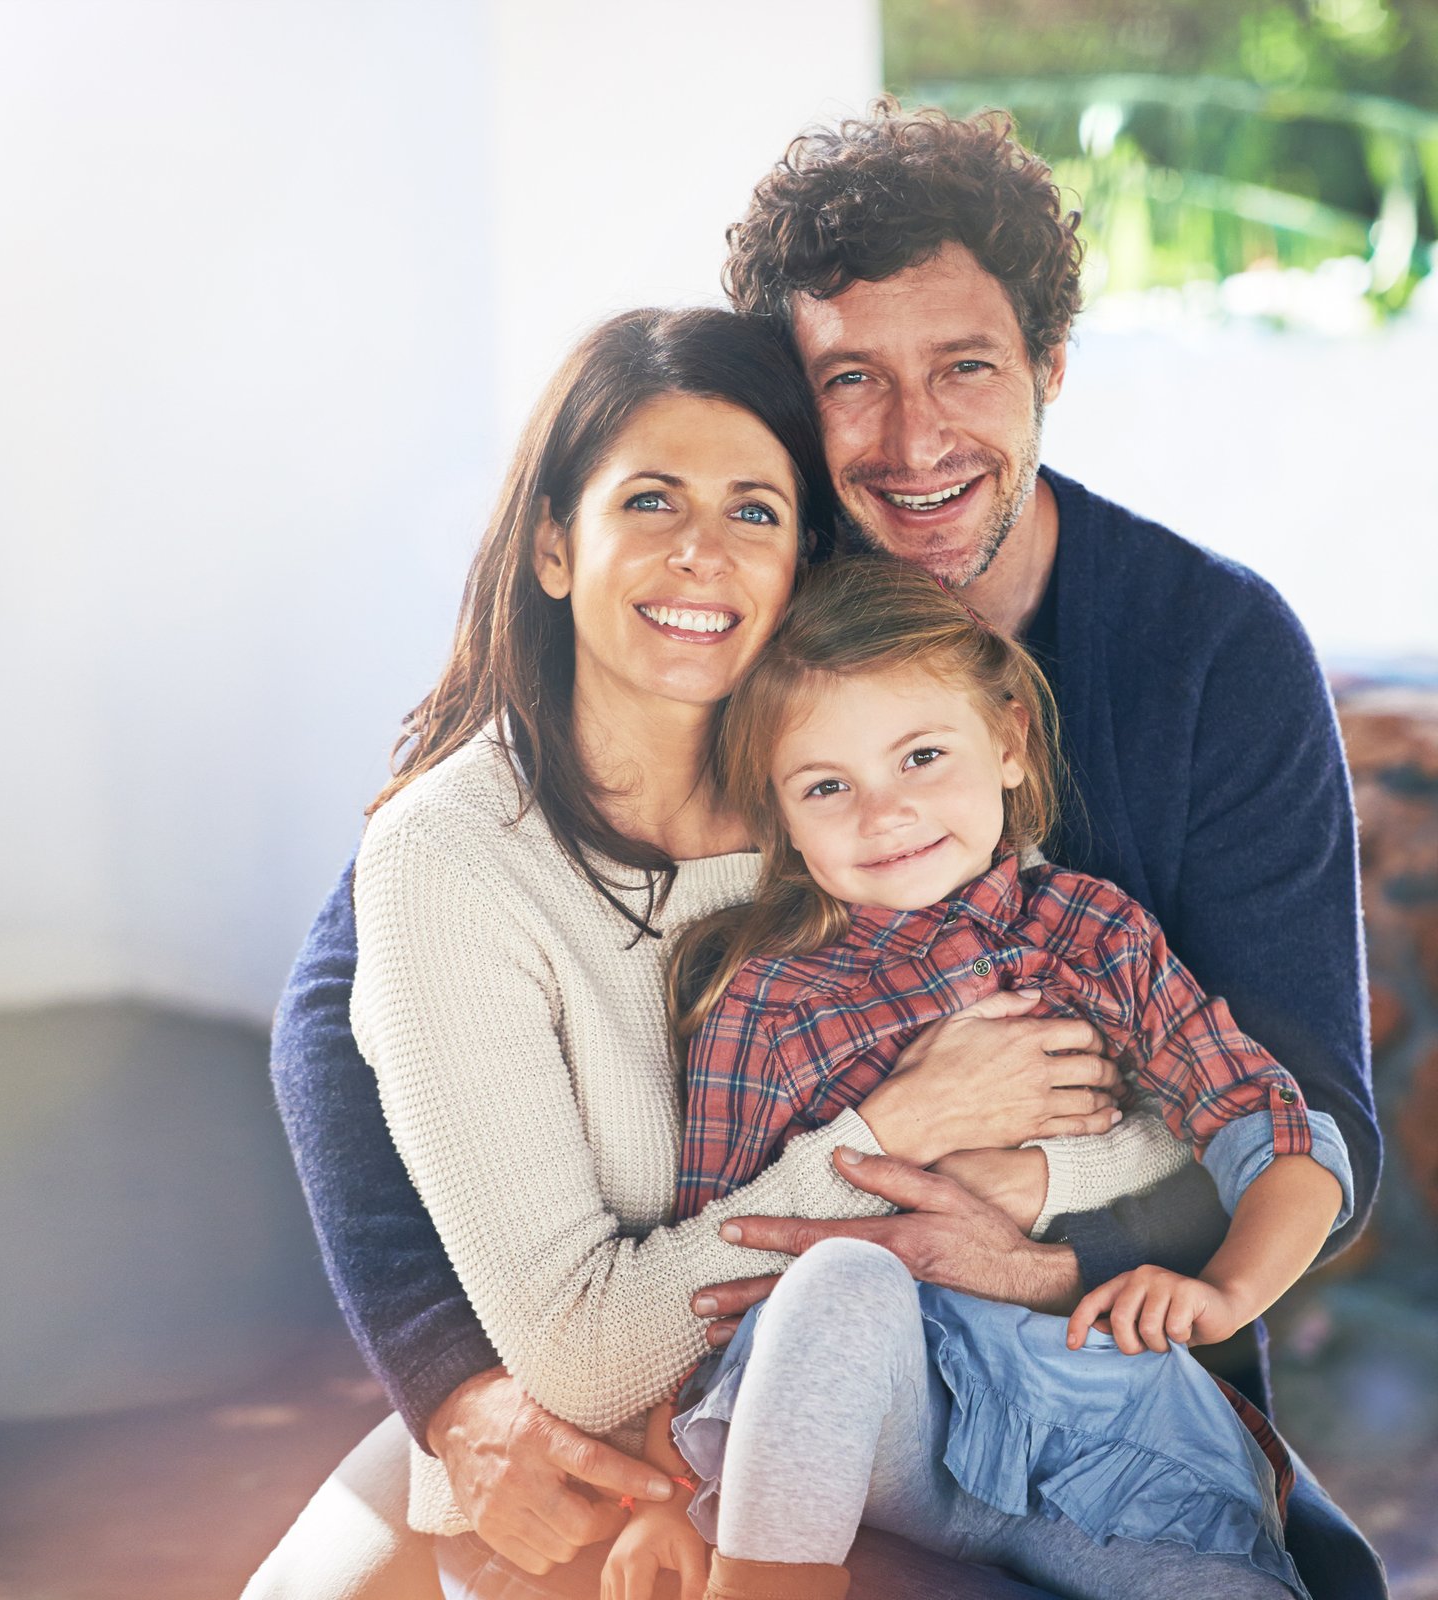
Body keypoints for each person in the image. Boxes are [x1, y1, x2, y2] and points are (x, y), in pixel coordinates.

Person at [247, 105, 1383, 1599]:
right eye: (854, 381)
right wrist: (453, 1385)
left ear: (1051, 365)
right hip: (743, 1361)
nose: (913, 444)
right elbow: (344, 1000)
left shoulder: (1211, 654)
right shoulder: (761, 597)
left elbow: (1306, 1120)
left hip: (1090, 1375)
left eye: (967, 367)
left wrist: (1042, 1241)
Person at [603, 556, 1353, 1600]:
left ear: (1007, 741)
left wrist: (1223, 1290)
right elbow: (709, 1294)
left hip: (1098, 1429)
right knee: (835, 1283)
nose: (884, 812)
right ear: (778, 815)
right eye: (827, 786)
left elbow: (1272, 1128)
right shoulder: (766, 1005)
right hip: (887, 1429)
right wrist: (658, 1494)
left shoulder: (1093, 934)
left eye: (920, 755)